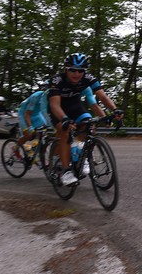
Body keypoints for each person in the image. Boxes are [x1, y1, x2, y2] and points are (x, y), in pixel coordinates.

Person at [47, 52, 123, 186]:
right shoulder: (57, 80)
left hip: (76, 106)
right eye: (73, 70)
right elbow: (54, 105)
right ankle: (66, 171)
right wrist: (65, 119)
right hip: (58, 109)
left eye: (80, 71)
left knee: (88, 125)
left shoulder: (88, 78)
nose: (77, 74)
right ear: (66, 69)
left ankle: (81, 156)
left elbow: (102, 97)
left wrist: (114, 110)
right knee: (64, 133)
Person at [14, 86, 105, 161]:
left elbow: (93, 105)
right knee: (29, 135)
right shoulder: (37, 96)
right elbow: (27, 114)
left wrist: (104, 118)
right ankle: (16, 148)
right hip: (25, 114)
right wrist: (30, 127)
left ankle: (36, 149)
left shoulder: (79, 90)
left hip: (38, 115)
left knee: (43, 131)